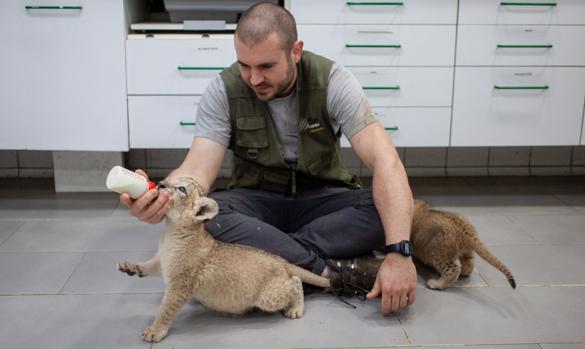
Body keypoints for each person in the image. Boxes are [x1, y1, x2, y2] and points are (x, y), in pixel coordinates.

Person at [120, 2, 416, 315]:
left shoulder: (334, 83)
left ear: (296, 51)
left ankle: (272, 252)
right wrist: (164, 194)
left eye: (266, 66)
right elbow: (197, 168)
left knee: (386, 207)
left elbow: (387, 162)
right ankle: (325, 273)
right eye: (244, 65)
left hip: (321, 201)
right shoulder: (222, 89)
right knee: (213, 216)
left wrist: (400, 253)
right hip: (257, 203)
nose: (253, 78)